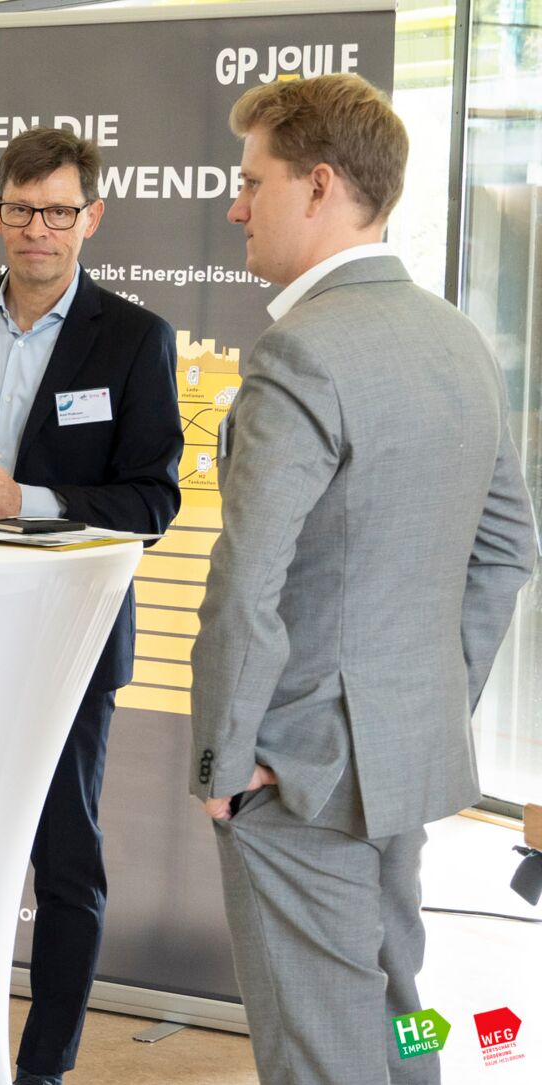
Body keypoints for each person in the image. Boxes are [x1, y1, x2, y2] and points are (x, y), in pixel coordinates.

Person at [192, 73, 536, 1085]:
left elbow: (248, 579)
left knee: (319, 1051)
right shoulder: (457, 338)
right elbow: (509, 548)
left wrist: (225, 765)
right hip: (400, 762)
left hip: (297, 779)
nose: (236, 206)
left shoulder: (300, 351)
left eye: (251, 181)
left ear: (319, 185)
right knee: (399, 1009)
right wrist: (424, 706)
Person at [0, 127, 182, 1085]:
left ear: (90, 218)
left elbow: (154, 501)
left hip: (69, 642)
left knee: (66, 861)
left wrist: (28, 498)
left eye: (59, 211)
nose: (38, 229)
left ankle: (44, 1069)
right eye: (22, 209)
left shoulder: (135, 339)